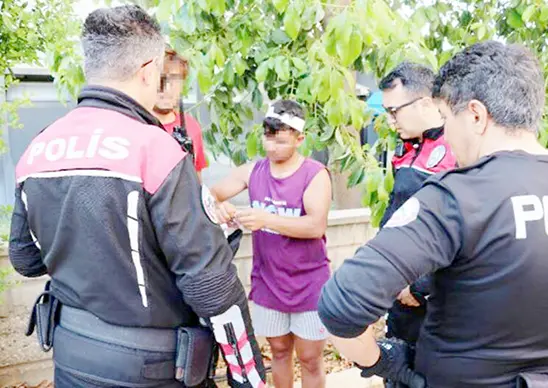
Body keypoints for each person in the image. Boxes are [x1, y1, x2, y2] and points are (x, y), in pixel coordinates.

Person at [9, 5, 265, 388]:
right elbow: (211, 286)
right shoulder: (155, 150)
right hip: (151, 370)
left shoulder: (40, 145)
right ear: (148, 70)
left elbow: (25, 259)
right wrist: (250, 379)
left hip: (72, 357)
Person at [318, 40, 548, 387]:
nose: (447, 136)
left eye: (448, 119)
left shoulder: (457, 196)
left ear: (476, 116)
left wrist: (386, 362)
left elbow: (340, 304)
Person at [211, 100, 332, 388]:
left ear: (300, 139)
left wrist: (267, 219)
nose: (271, 147)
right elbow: (211, 193)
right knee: (278, 352)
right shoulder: (252, 171)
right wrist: (220, 206)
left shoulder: (315, 174)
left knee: (310, 359)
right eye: (268, 139)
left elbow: (316, 226)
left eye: (280, 141)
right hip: (269, 282)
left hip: (309, 284)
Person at [377, 62, 457, 387]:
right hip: (399, 298)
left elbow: (463, 232)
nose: (390, 120)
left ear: (425, 102)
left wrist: (421, 287)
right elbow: (395, 216)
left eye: (394, 111)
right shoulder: (406, 148)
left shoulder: (457, 149)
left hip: (436, 302)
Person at [153, 47, 208, 181]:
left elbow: (196, 179)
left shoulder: (191, 126)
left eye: (174, 80)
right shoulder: (134, 123)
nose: (167, 88)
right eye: (161, 79)